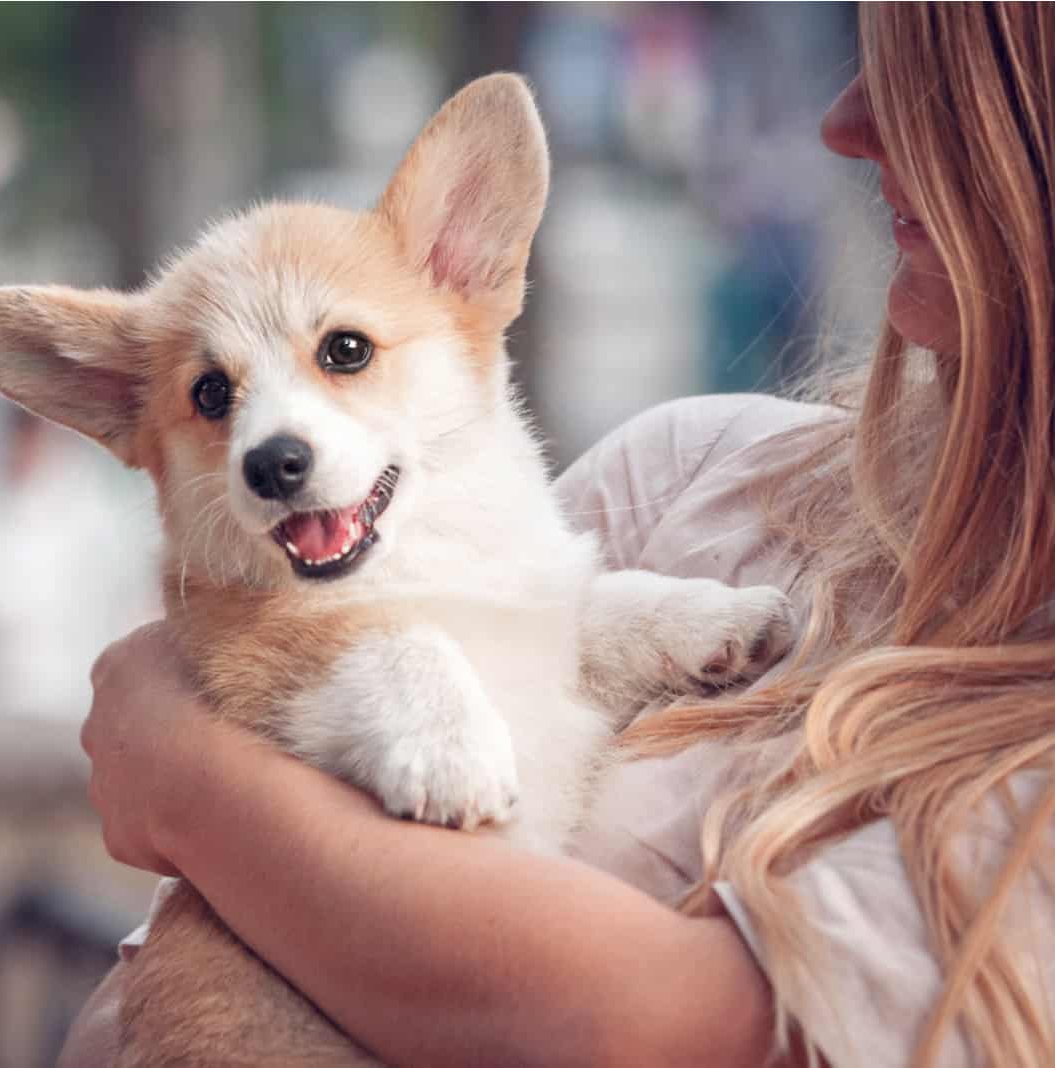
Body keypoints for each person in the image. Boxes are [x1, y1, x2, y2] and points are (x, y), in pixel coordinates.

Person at [64, 5, 1055, 1065]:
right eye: (864, 60)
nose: (843, 123)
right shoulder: (689, 478)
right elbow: (127, 1012)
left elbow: (678, 1031)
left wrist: (192, 780)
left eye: (942, 85)